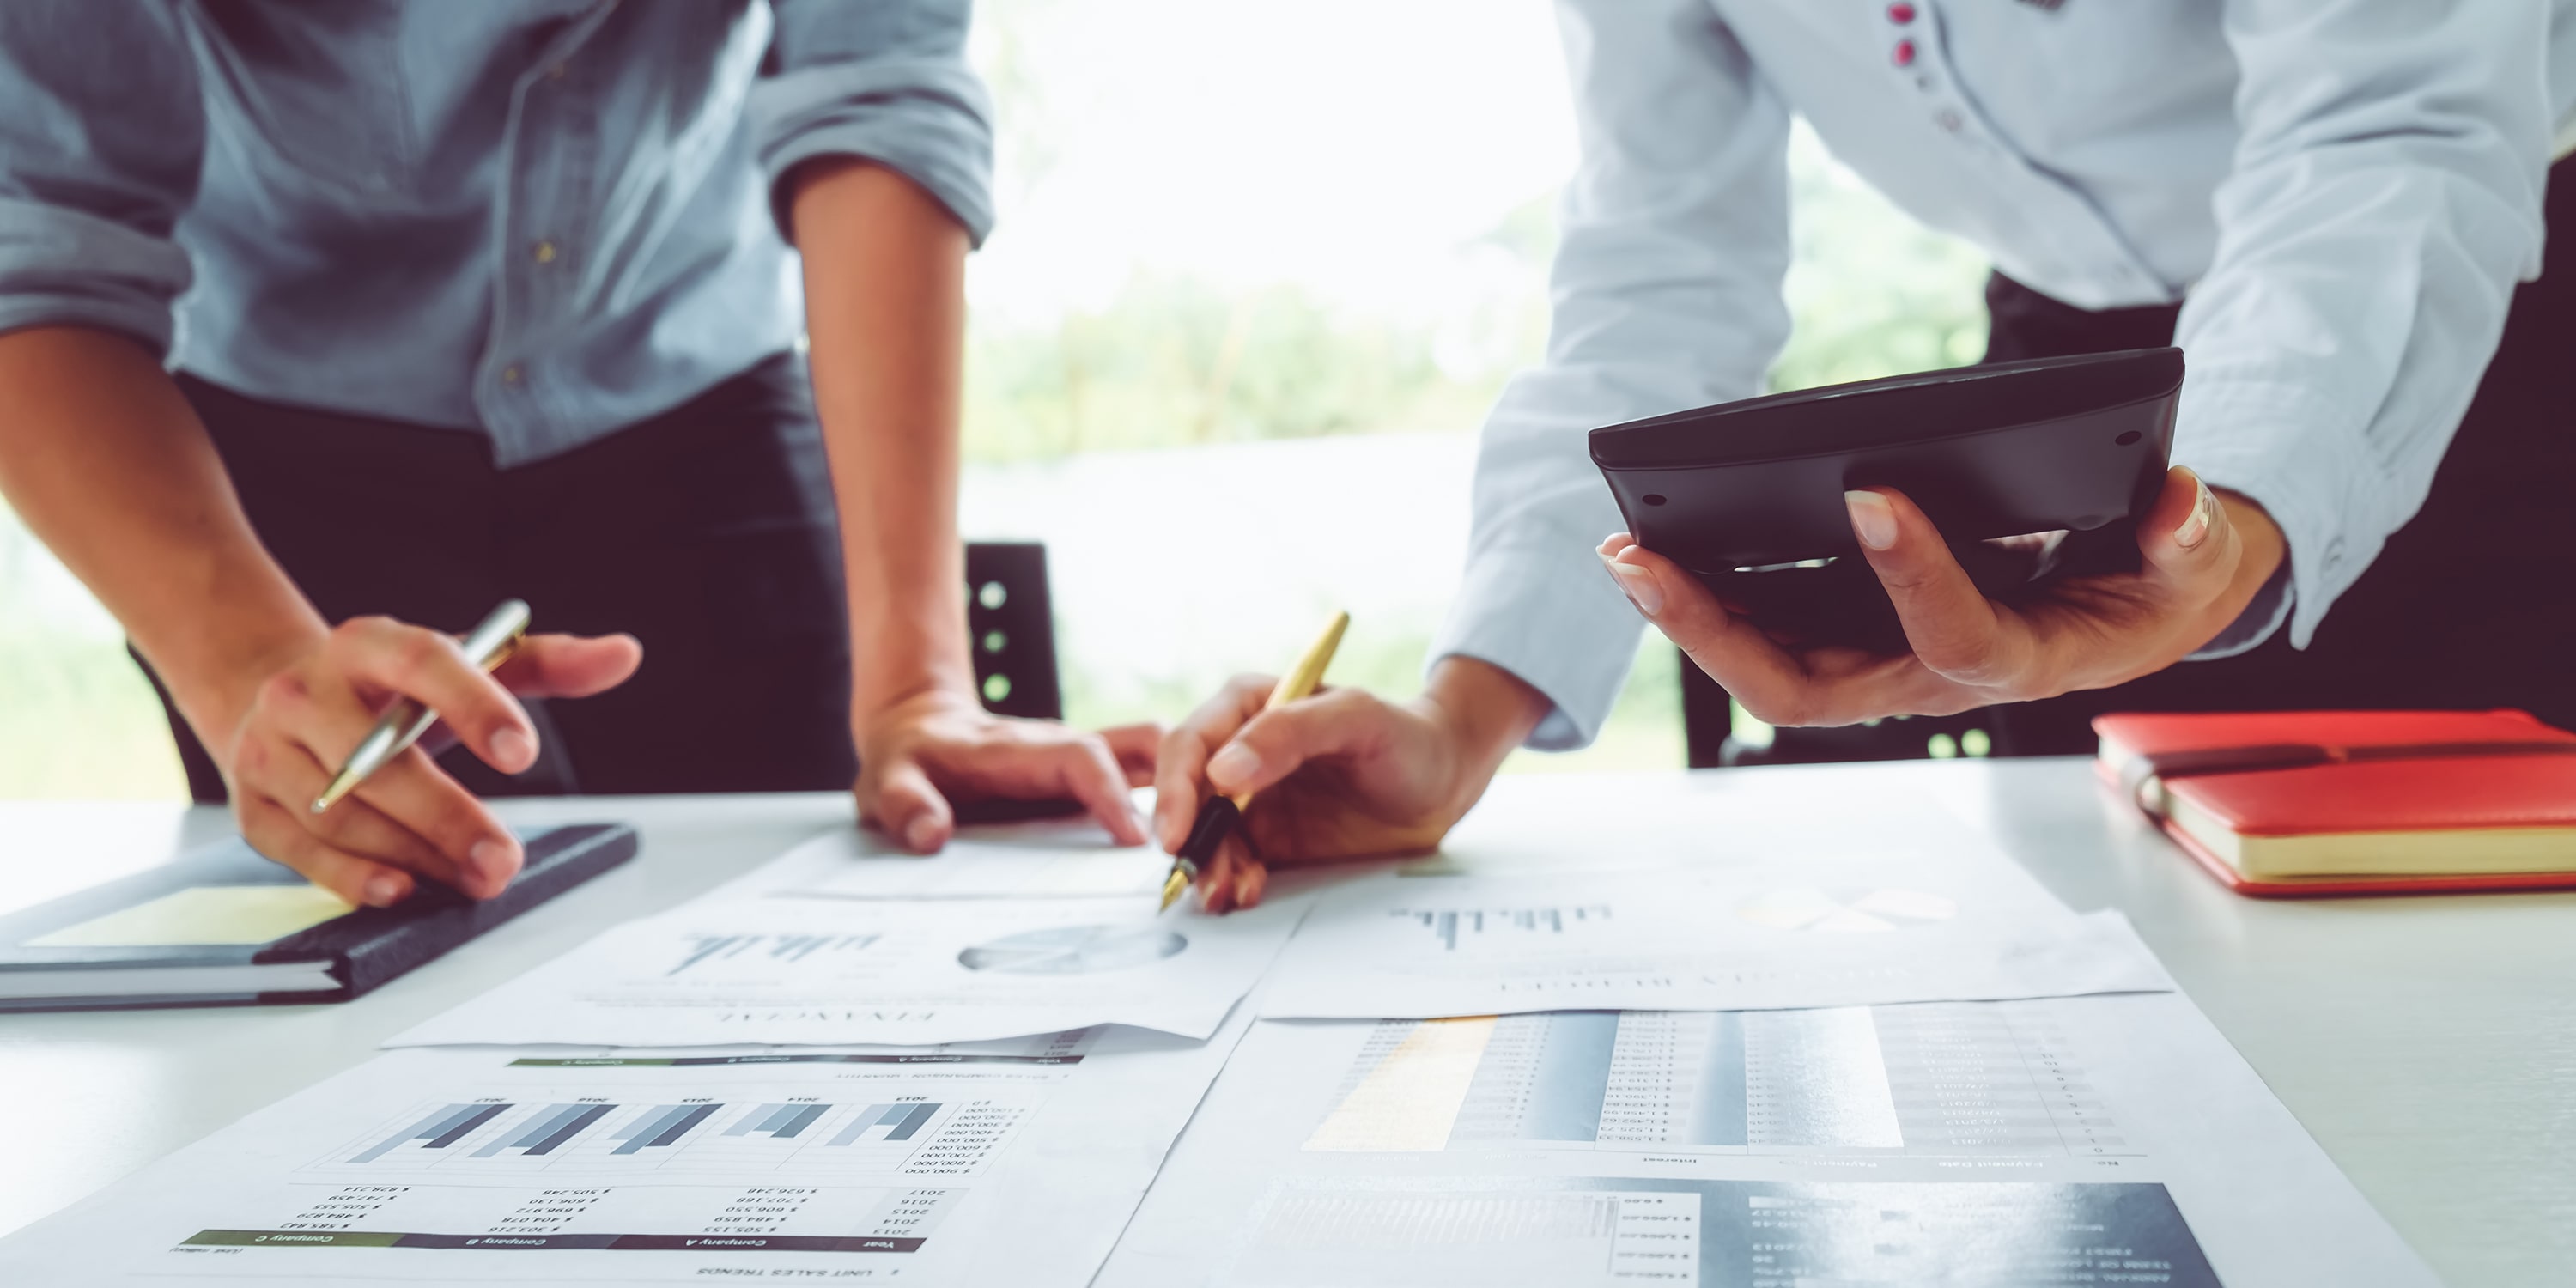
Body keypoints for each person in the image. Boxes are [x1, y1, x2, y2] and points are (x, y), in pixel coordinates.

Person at [1157, 0, 2576, 910]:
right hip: (2074, 363)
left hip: (2486, 306)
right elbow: (1658, 269)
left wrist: (2236, 516)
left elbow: (2391, 126)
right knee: (2128, 970)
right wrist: (1458, 727)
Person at [0, 2, 1155, 911]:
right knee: (374, 925)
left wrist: (919, 686)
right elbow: (33, 228)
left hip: (692, 380)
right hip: (271, 443)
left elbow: (875, 86)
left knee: (834, 907)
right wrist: (247, 664)